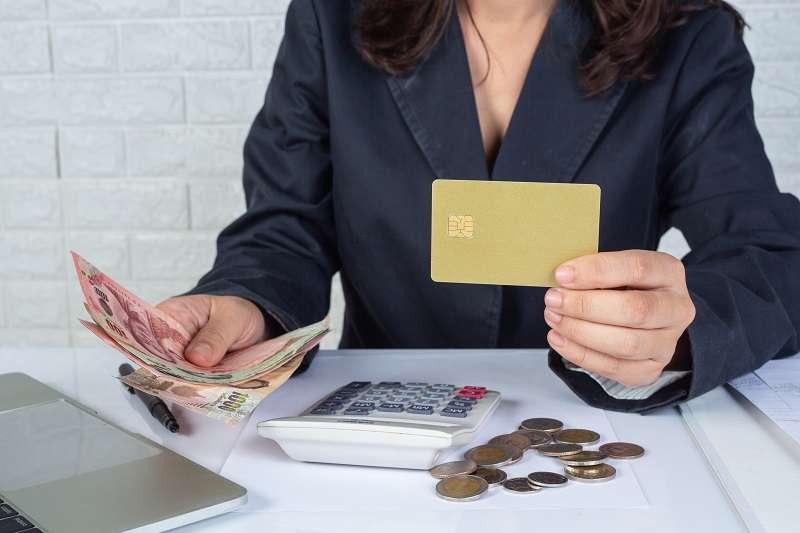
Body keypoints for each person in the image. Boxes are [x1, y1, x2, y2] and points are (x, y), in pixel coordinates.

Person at [157, 0, 800, 413]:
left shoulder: (689, 31)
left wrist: (680, 333)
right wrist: (244, 304)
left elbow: (771, 258)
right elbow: (285, 225)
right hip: (376, 420)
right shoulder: (331, 15)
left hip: (584, 418)